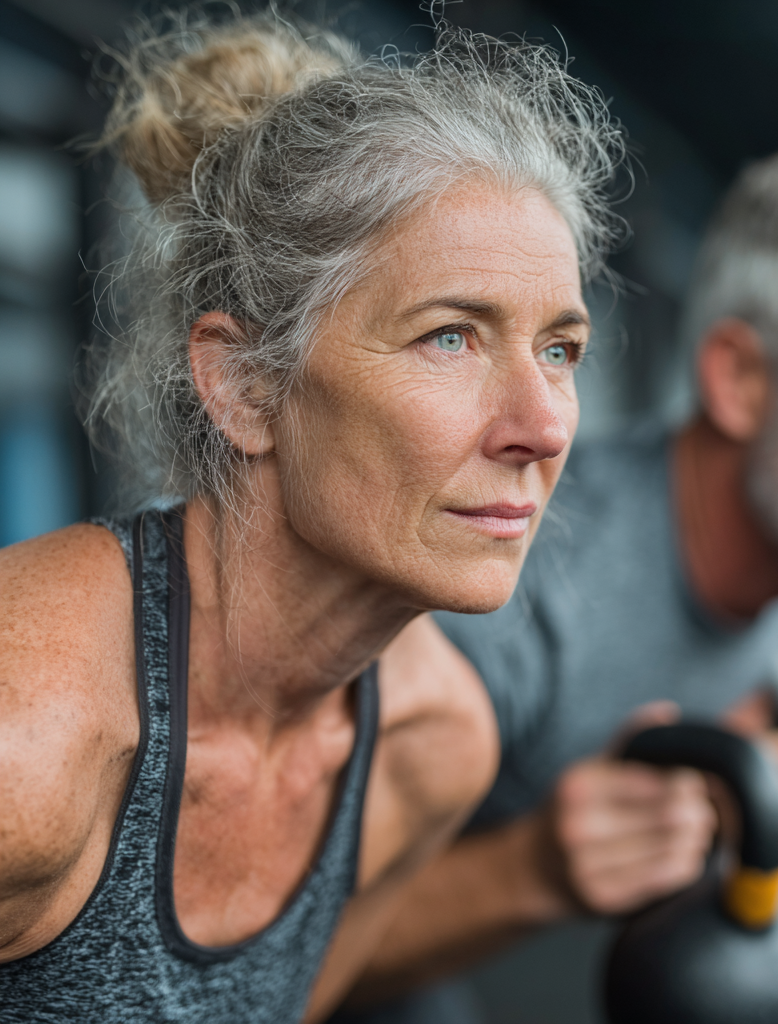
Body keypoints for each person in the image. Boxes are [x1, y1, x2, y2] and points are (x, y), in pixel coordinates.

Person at [0, 12, 628, 1023]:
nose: (543, 425)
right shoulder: (28, 737)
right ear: (245, 385)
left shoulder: (429, 746)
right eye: (451, 337)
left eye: (558, 349)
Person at [334, 139, 778, 1021]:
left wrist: (762, 767)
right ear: (738, 378)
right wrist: (529, 872)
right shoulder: (514, 599)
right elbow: (241, 961)